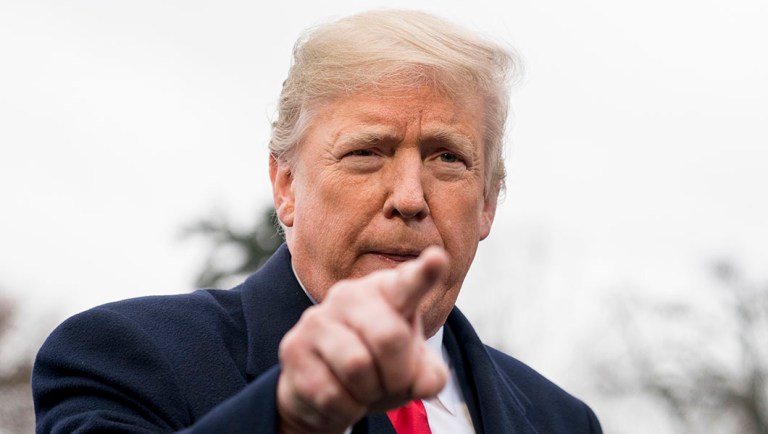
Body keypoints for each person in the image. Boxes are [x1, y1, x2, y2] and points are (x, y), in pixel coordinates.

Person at [32, 9, 602, 434]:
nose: (409, 198)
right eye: (366, 152)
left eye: (447, 158)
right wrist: (291, 419)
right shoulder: (122, 358)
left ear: (487, 204)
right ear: (286, 186)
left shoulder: (564, 421)